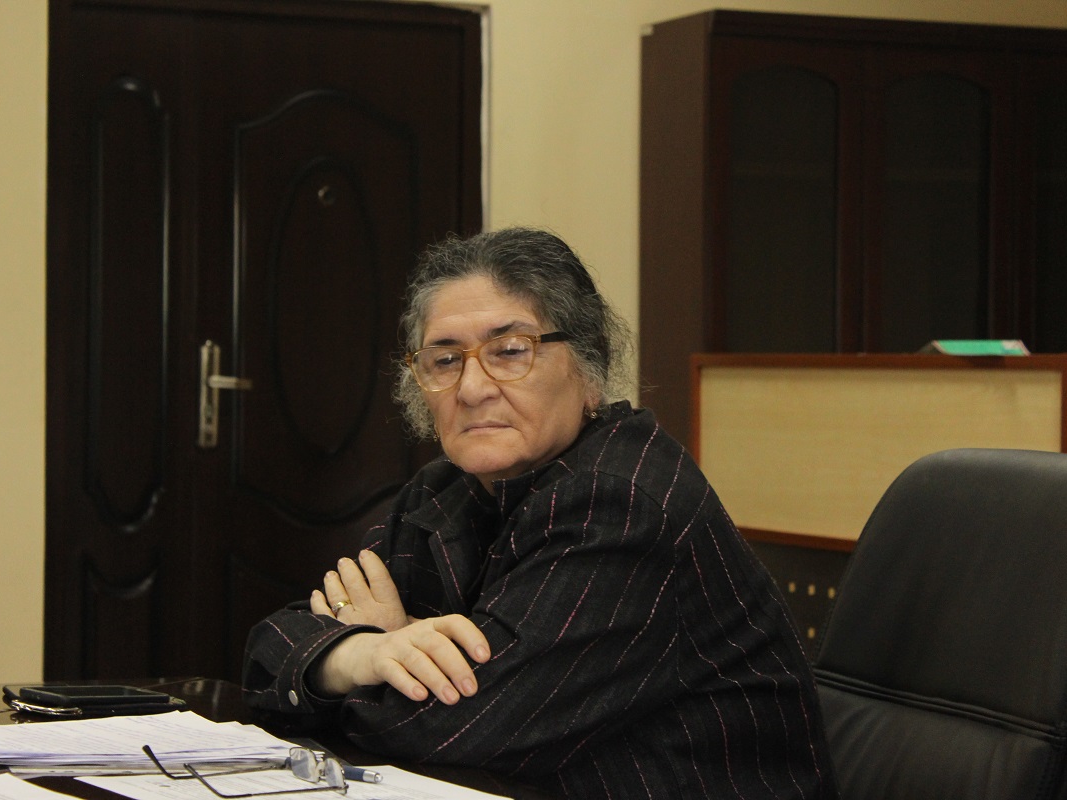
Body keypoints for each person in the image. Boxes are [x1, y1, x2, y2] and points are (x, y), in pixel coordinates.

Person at [244, 227, 839, 798]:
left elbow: (455, 732)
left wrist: (352, 663)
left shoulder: (621, 500)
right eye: (445, 360)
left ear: (588, 369)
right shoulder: (442, 490)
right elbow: (267, 651)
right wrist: (362, 653)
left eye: (509, 352)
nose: (471, 388)